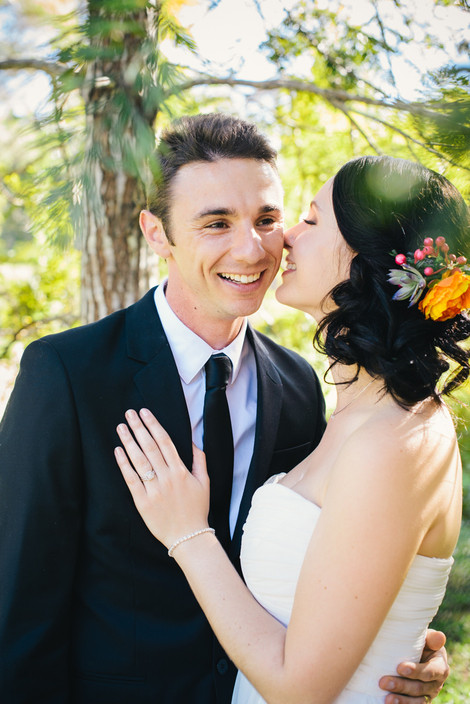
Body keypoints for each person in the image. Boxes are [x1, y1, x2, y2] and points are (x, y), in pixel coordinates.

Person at [0, 114, 447, 704]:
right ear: (158, 234)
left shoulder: (297, 385)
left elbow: (326, 573)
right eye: (216, 222)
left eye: (268, 219)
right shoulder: (67, 374)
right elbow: (19, 612)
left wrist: (392, 650)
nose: (254, 247)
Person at [114, 154, 468, 703]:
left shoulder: (400, 438)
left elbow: (300, 689)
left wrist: (188, 534)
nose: (285, 241)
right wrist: (400, 637)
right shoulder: (344, 410)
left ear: (365, 257)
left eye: (309, 219)